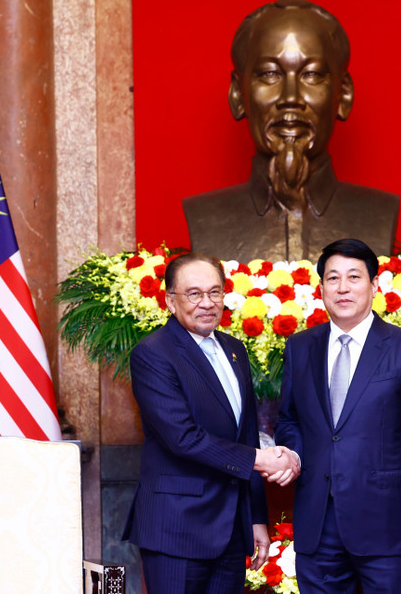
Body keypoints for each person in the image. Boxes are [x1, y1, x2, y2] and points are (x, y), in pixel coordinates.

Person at [275, 238, 401, 593]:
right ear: (321, 288)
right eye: (332, 278)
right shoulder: (300, 347)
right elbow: (289, 419)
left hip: (386, 521)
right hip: (317, 521)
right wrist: (292, 453)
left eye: (354, 277)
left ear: (374, 285)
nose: (342, 287)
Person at [123, 253, 300, 593]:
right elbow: (182, 437)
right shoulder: (153, 353)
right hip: (177, 530)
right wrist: (260, 459)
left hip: (231, 531)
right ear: (170, 301)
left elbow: (247, 434)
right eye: (194, 294)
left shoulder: (235, 349)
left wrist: (257, 518)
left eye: (215, 292)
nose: (207, 303)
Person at [183, 0, 399, 262]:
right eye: (269, 74)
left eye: (312, 75)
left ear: (343, 95)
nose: (290, 97)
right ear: (238, 94)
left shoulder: (380, 212)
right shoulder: (204, 216)